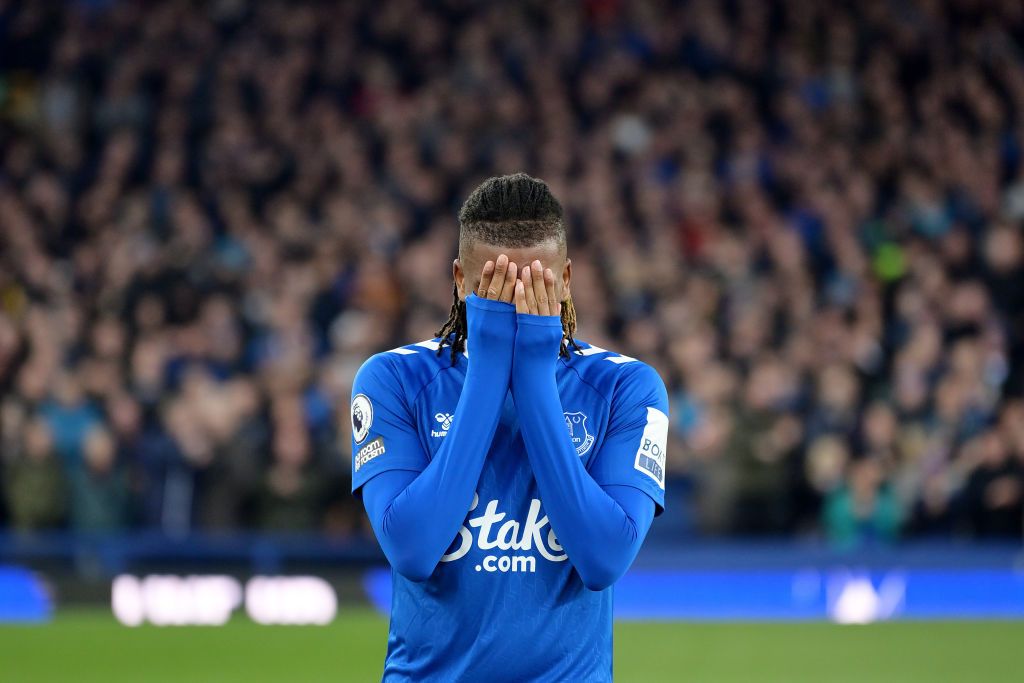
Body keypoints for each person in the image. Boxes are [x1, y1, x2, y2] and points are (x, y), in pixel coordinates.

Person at [350, 173, 669, 681]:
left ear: (566, 279)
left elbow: (603, 558)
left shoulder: (626, 387)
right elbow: (412, 549)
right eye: (494, 290)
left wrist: (535, 376)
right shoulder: (393, 378)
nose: (516, 307)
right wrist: (490, 367)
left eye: (536, 287)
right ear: (459, 279)